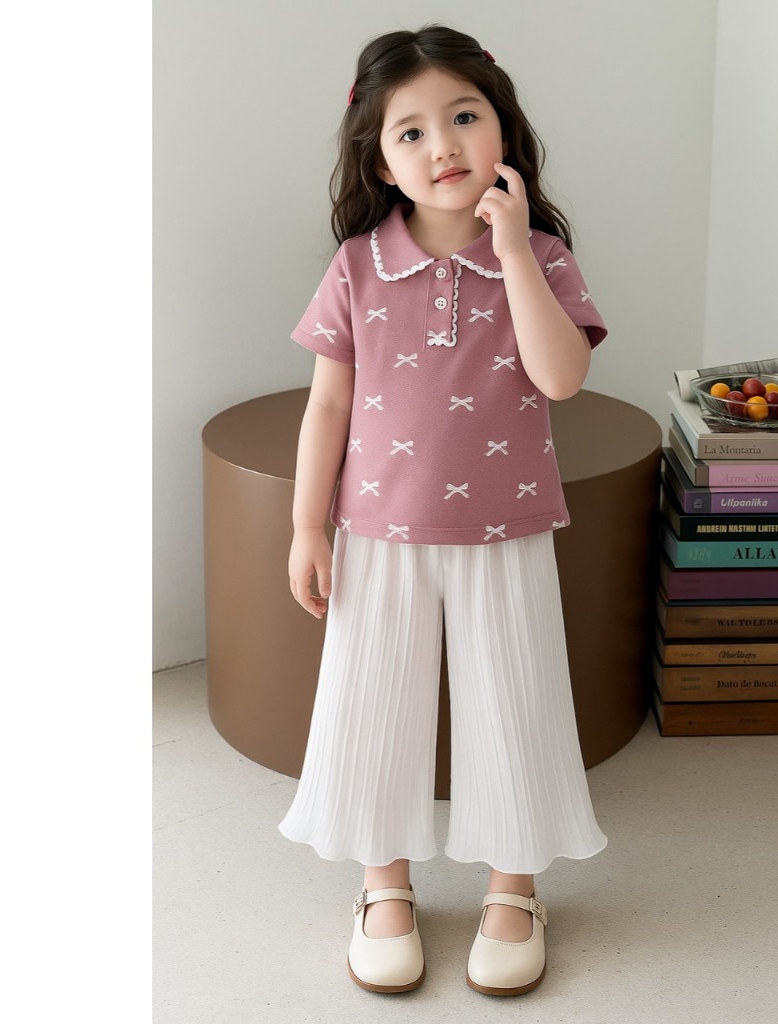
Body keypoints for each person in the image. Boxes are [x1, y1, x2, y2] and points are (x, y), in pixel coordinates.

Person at [278, 24, 608, 997]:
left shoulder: (540, 256)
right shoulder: (356, 264)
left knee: (514, 704)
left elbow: (561, 377)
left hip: (507, 528)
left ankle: (515, 890)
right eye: (411, 132)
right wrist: (306, 527)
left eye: (463, 117)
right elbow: (326, 407)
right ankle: (383, 885)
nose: (443, 146)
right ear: (381, 161)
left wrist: (512, 252)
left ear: (501, 125)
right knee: (372, 706)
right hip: (375, 528)